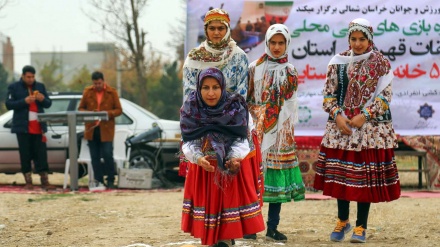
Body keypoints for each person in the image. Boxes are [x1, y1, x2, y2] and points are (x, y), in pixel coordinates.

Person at [313, 18, 401, 243]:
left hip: (369, 131)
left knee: (363, 180)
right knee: (342, 177)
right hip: (342, 130)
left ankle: (361, 226)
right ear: (348, 39)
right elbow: (328, 96)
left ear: (370, 39)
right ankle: (343, 221)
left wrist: (365, 115)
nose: (358, 43)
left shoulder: (381, 63)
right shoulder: (338, 62)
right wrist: (338, 116)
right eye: (353, 39)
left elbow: (385, 97)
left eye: (362, 39)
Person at [180, 67, 265, 247]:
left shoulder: (236, 106)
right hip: (204, 169)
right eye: (205, 87)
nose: (211, 93)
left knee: (226, 221)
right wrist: (198, 158)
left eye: (216, 87)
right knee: (210, 224)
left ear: (223, 87)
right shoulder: (191, 108)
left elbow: (244, 138)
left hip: (228, 169)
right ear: (198, 88)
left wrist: (233, 158)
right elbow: (188, 140)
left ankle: (225, 239)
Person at [246, 24, 305, 242]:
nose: (277, 47)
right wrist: (260, 116)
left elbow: (291, 102)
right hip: (257, 132)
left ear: (287, 44)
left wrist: (277, 119)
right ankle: (250, 228)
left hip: (281, 135)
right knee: (254, 179)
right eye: (273, 42)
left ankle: (272, 227)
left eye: (281, 43)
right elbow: (248, 99)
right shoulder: (254, 68)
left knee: (275, 181)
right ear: (267, 43)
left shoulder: (290, 71)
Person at [5, 65, 55, 190]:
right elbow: (9, 104)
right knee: (25, 154)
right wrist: (24, 101)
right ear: (23, 76)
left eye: (32, 77)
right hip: (23, 127)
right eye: (28, 77)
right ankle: (28, 182)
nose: (30, 79)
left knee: (41, 155)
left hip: (39, 127)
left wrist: (43, 99)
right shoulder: (14, 87)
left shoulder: (40, 87)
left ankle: (45, 181)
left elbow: (48, 104)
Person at [78, 71, 122, 189]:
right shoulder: (88, 92)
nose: (97, 85)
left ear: (103, 81)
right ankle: (99, 180)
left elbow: (119, 110)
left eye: (99, 83)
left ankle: (111, 179)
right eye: (95, 83)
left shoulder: (111, 92)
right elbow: (80, 108)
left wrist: (107, 113)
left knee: (108, 154)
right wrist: (90, 114)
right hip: (92, 129)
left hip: (106, 129)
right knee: (94, 156)